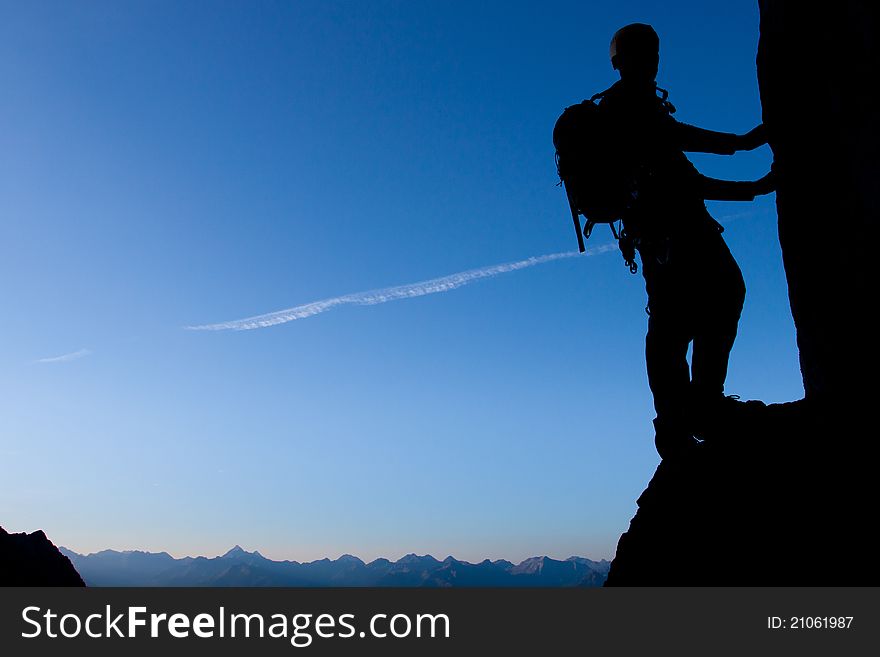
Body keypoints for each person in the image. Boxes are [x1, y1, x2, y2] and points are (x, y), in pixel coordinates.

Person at [598, 23, 774, 459]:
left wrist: (746, 149)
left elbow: (682, 159)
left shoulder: (634, 108)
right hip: (673, 236)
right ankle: (695, 412)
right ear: (626, 63)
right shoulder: (630, 111)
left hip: (665, 238)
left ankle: (688, 414)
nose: (652, 64)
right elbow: (685, 170)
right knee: (700, 311)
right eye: (645, 56)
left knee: (679, 324)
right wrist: (750, 164)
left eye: (653, 55)